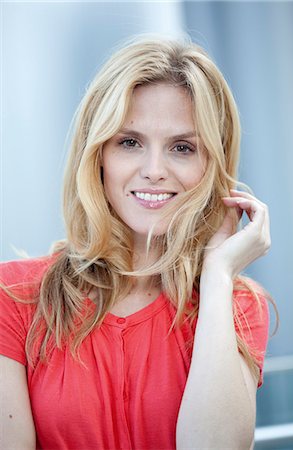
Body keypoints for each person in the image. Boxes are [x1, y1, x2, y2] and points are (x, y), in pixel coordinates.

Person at [0, 35, 274, 450]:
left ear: (211, 168)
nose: (153, 170)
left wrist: (217, 273)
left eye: (182, 148)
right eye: (130, 142)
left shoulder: (234, 305)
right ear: (99, 156)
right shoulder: (14, 296)